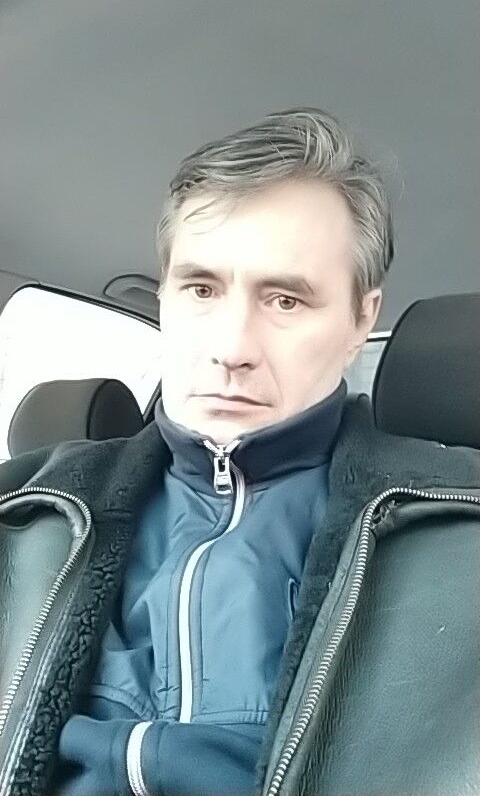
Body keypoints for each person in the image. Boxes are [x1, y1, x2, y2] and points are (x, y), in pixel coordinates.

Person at [0, 107, 479, 796]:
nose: (231, 349)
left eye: (285, 301)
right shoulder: (24, 511)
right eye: (201, 289)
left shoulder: (459, 528)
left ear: (361, 318)